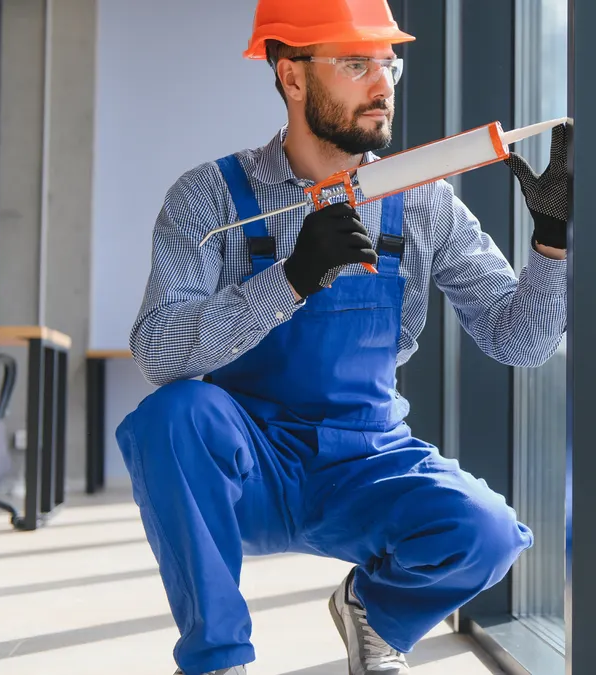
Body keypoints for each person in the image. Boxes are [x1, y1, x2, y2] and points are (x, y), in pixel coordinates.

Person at [114, 2, 571, 674]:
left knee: (489, 532)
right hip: (249, 463)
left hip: (367, 461)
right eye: (357, 64)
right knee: (171, 417)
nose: (382, 83)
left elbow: (520, 341)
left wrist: (552, 244)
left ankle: (375, 612)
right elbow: (157, 350)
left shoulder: (424, 201)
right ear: (292, 76)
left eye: (388, 63)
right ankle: (218, 659)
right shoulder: (208, 197)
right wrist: (291, 277)